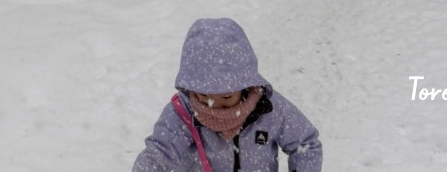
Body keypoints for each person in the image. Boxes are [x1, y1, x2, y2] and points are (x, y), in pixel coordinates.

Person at [132, 18, 322, 172]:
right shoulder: (182, 113)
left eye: (226, 97)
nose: (213, 105)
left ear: (246, 86)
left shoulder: (269, 109)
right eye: (203, 96)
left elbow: (305, 144)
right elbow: (159, 153)